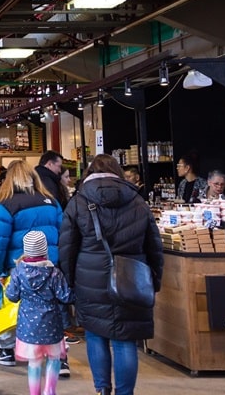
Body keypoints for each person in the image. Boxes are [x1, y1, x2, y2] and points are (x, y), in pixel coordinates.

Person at [59, 154, 164, 395]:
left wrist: (70, 280)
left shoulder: (78, 201)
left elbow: (67, 247)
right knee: (125, 340)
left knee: (96, 335)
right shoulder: (138, 201)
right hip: (131, 279)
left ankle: (102, 390)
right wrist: (154, 279)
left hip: (90, 278)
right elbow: (154, 246)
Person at [0, 161, 64, 373]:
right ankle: (57, 354)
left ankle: (7, 351)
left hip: (18, 265)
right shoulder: (51, 202)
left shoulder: (5, 204)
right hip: (50, 266)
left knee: (10, 307)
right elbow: (63, 232)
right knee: (50, 309)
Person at [4, 231, 73, 395]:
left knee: (34, 363)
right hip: (52, 325)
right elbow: (65, 296)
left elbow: (12, 296)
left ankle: (34, 393)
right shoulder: (54, 273)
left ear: (26, 250)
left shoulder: (18, 272)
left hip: (29, 327)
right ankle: (50, 391)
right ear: (45, 250)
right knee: (54, 358)